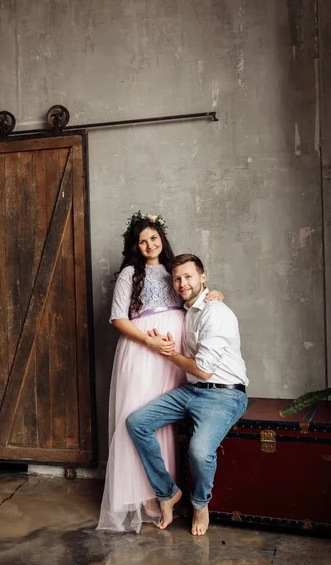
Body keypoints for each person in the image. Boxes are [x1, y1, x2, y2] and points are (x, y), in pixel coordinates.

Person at [97, 213, 223, 533]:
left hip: (175, 350)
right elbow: (118, 319)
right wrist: (150, 341)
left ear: (162, 239)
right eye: (142, 241)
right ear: (135, 246)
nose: (150, 245)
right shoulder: (129, 273)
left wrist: (214, 295)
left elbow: (194, 294)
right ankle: (143, 496)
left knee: (165, 419)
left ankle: (163, 488)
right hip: (143, 349)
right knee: (137, 415)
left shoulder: (174, 271)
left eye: (154, 238)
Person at [126, 253, 249, 536]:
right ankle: (167, 493)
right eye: (177, 279)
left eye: (189, 277)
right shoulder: (189, 310)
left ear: (203, 277)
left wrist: (169, 355)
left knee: (198, 451)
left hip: (224, 395)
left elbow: (205, 371)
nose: (182, 283)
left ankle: (200, 502)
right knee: (137, 422)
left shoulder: (215, 312)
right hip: (191, 390)